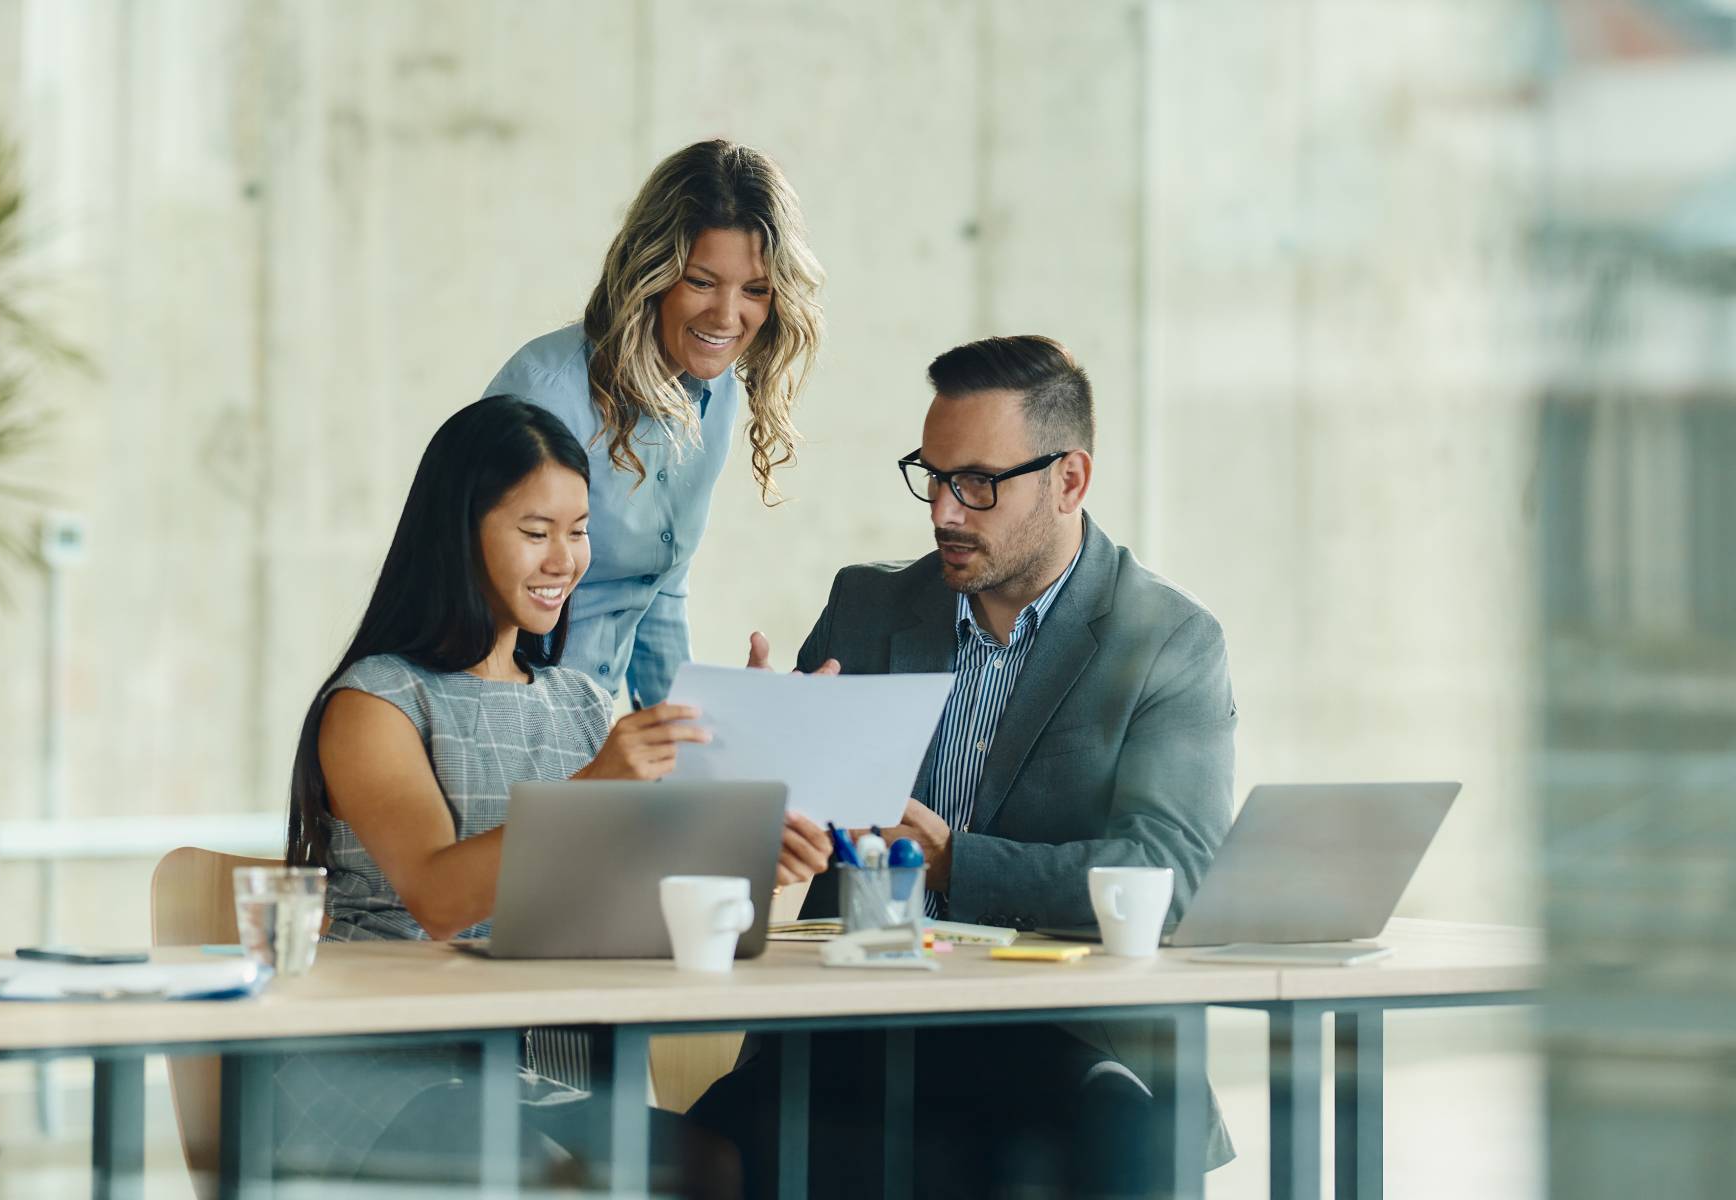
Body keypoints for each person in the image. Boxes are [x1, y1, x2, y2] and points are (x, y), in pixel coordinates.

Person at [690, 336, 1240, 1198]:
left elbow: (1175, 877)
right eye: (933, 475)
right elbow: (769, 838)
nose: (944, 510)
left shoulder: (1166, 641)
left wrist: (956, 862)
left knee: (1082, 1142)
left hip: (1062, 1038)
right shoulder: (868, 607)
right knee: (688, 1150)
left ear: (1069, 480)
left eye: (979, 483)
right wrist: (752, 755)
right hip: (854, 1029)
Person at [278, 395, 830, 1194]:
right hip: (384, 1057)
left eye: (578, 531)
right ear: (457, 535)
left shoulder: (580, 704)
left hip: (538, 1061)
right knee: (544, 1177)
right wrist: (598, 784)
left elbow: (628, 908)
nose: (564, 560)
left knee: (706, 1167)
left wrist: (747, 830)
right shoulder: (377, 702)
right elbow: (439, 900)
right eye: (536, 532)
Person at [484, 138, 824, 706]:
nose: (727, 316)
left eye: (756, 290)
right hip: (505, 715)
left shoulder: (716, 391)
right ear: (652, 270)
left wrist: (693, 735)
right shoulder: (546, 395)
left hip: (592, 725)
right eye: (701, 281)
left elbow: (658, 589)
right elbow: (468, 588)